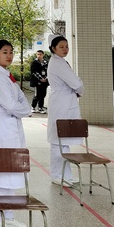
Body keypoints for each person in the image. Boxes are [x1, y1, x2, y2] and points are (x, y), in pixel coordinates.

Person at [0, 39, 32, 227]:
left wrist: (23, 108)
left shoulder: (6, 75)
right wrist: (23, 109)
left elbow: (21, 100)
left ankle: (9, 216)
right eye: (5, 52)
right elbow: (12, 105)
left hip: (11, 127)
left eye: (11, 51)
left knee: (11, 172)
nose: (9, 55)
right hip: (0, 128)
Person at [46, 34, 84, 187]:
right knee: (59, 141)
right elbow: (77, 83)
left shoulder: (59, 61)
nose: (65, 49)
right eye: (61, 47)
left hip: (62, 102)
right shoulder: (58, 63)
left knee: (63, 141)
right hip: (61, 103)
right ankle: (58, 175)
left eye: (66, 46)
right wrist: (79, 91)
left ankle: (65, 174)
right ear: (53, 48)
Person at [30, 50, 49, 114]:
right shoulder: (34, 62)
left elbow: (48, 71)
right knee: (37, 94)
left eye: (40, 54)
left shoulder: (45, 63)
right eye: (38, 54)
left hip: (45, 81)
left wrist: (46, 78)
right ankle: (33, 106)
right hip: (37, 81)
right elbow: (34, 72)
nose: (39, 56)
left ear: (43, 55)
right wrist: (40, 78)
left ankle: (40, 107)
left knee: (43, 94)